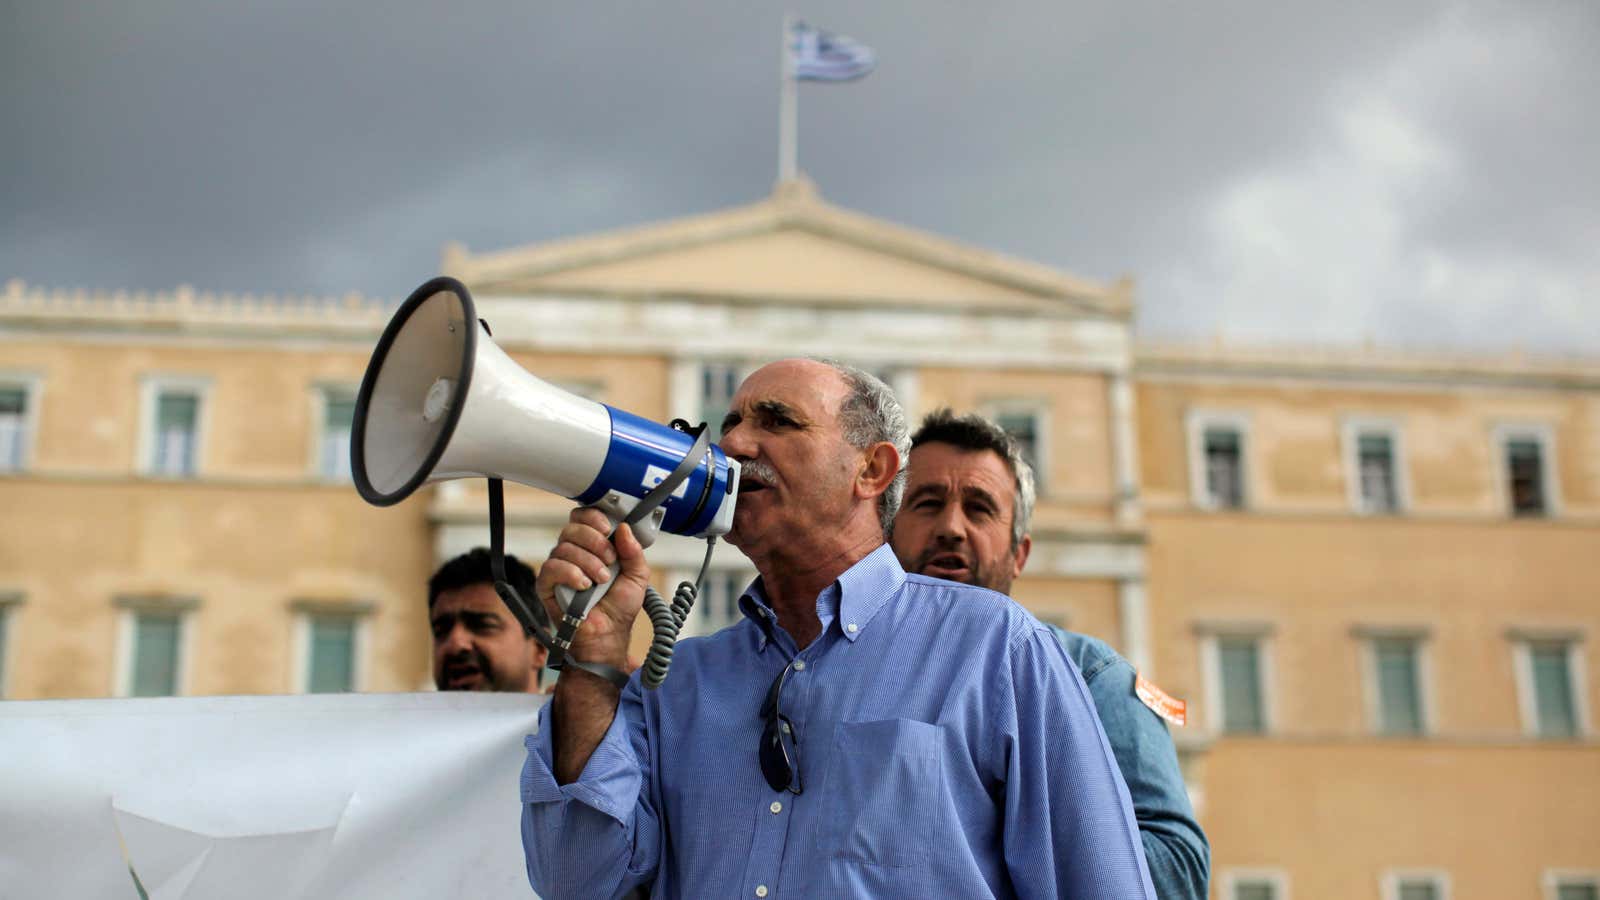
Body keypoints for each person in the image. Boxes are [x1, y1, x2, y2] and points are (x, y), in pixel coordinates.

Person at [520, 359, 1156, 899]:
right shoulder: (680, 684)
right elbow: (578, 882)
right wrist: (592, 660)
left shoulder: (999, 649)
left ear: (873, 471)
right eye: (733, 422)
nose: (736, 445)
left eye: (776, 421)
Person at [890, 408, 1210, 899]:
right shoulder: (843, 666)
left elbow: (1176, 870)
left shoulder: (1094, 677)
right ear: (886, 535)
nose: (951, 527)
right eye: (927, 503)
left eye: (979, 508)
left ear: (1019, 554)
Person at [429, 548, 547, 693]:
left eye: (482, 625)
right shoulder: (399, 715)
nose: (455, 643)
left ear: (539, 648)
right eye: (442, 630)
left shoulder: (575, 714)